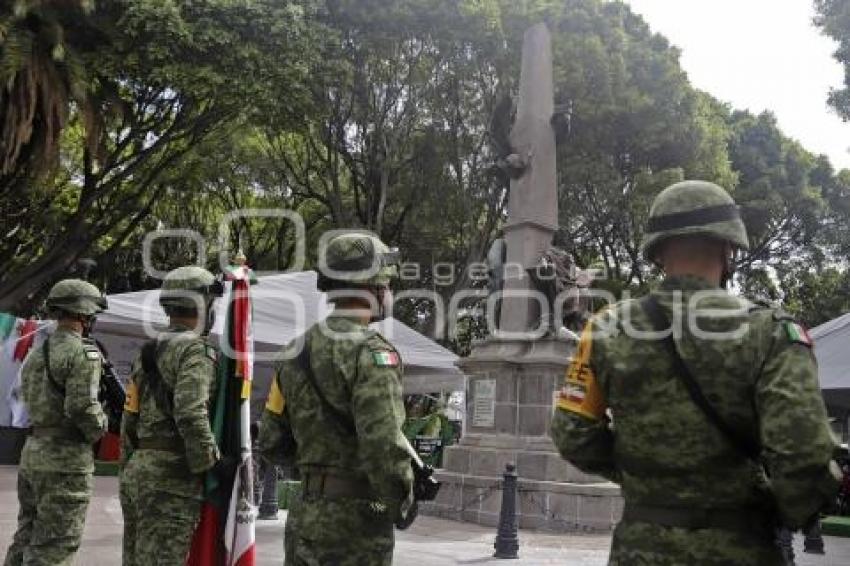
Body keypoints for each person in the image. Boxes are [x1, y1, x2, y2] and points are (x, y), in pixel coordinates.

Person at [550, 180, 841, 565]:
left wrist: (645, 476)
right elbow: (804, 456)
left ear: (656, 251)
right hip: (740, 548)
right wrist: (777, 507)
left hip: (638, 550)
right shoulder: (771, 332)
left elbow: (572, 434)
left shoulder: (604, 328)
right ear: (729, 248)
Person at [258, 231, 414, 566]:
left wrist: (318, 464)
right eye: (387, 284)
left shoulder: (291, 352)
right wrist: (403, 501)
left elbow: (271, 442)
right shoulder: (374, 354)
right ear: (373, 286)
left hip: (304, 515)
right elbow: (384, 445)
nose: (389, 292)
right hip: (354, 528)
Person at [119, 266, 226, 565]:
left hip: (138, 470)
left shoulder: (149, 349)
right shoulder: (196, 351)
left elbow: (130, 415)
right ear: (201, 304)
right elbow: (191, 412)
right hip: (171, 477)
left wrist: (129, 465)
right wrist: (211, 466)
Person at [4, 279, 108, 566]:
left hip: (33, 451)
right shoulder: (84, 353)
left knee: (26, 535)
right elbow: (82, 407)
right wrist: (101, 426)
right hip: (66, 460)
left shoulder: (37, 353)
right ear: (85, 314)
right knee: (55, 544)